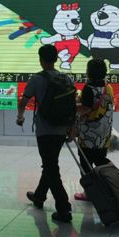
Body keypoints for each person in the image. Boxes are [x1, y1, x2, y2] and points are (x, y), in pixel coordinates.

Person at [16, 44, 73, 223]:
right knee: (50, 164)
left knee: (51, 167)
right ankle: (39, 197)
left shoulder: (36, 78)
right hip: (61, 129)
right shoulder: (67, 78)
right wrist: (72, 128)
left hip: (45, 130)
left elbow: (24, 101)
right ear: (56, 59)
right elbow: (72, 106)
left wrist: (20, 116)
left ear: (41, 59)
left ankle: (64, 208)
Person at [73, 58, 114, 201]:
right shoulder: (108, 86)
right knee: (100, 158)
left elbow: (86, 108)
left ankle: (90, 192)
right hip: (104, 132)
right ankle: (111, 180)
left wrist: (70, 105)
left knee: (86, 163)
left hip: (89, 134)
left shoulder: (89, 88)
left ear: (89, 72)